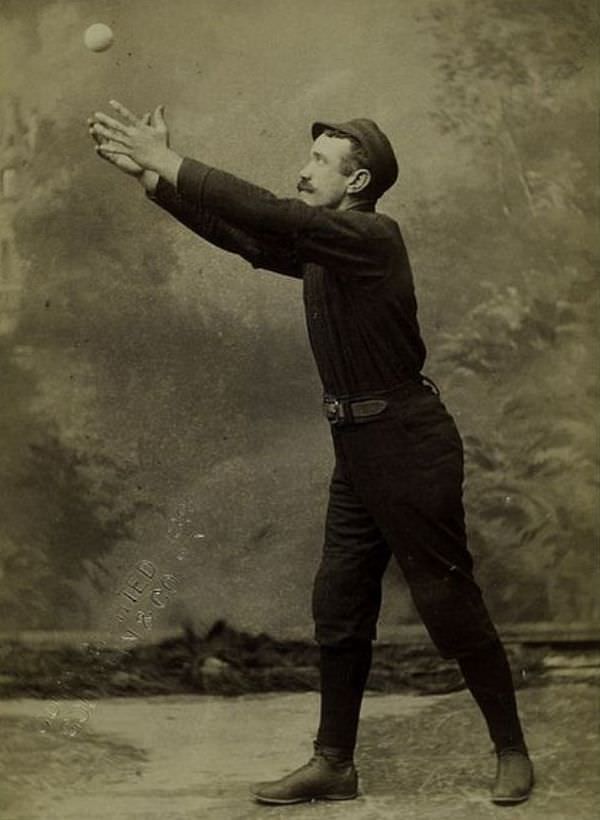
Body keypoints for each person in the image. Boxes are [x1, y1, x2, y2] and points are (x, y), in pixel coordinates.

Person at [88, 101, 534, 806]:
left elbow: (275, 218)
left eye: (321, 162)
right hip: (359, 449)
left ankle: (510, 747)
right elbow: (251, 240)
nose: (303, 170)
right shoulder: (330, 251)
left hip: (410, 445)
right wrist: (152, 178)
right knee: (338, 607)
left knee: (448, 606)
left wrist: (172, 159)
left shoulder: (374, 238)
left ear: (358, 182)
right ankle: (335, 765)